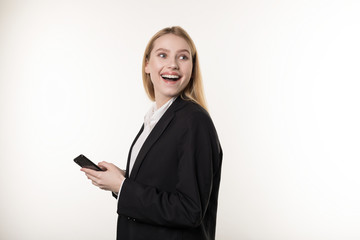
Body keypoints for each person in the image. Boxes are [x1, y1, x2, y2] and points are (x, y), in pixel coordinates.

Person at [81, 26, 223, 240]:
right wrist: (123, 178)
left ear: (192, 68)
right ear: (147, 64)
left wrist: (122, 187)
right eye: (163, 55)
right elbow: (164, 183)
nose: (172, 64)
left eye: (183, 57)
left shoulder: (194, 121)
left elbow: (190, 210)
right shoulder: (154, 119)